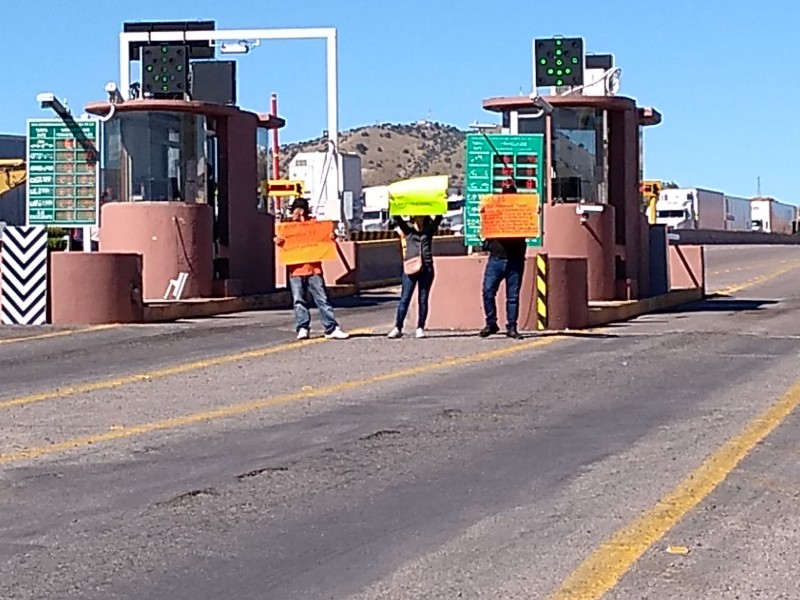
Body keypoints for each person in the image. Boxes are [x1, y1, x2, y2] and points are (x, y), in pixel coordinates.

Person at [274, 197, 349, 340]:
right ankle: (303, 327)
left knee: (322, 299)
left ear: (301, 210)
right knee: (299, 300)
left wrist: (331, 236)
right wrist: (278, 241)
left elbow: (326, 237)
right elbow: (280, 241)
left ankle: (331, 328)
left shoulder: (314, 225)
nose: (293, 213)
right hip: (295, 270)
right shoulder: (288, 228)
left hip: (314, 269)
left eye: (295, 210)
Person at [479, 180, 527, 339]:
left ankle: (511, 327)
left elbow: (531, 226)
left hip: (515, 259)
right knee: (487, 291)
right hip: (496, 258)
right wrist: (483, 213)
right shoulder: (496, 209)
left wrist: (535, 213)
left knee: (512, 296)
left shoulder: (522, 210)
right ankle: (491, 322)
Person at [388, 213, 443, 339]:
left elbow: (439, 218)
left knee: (423, 299)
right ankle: (398, 327)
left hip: (426, 267)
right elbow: (397, 218)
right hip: (411, 267)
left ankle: (420, 327)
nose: (419, 218)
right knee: (405, 298)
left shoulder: (429, 230)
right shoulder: (408, 230)